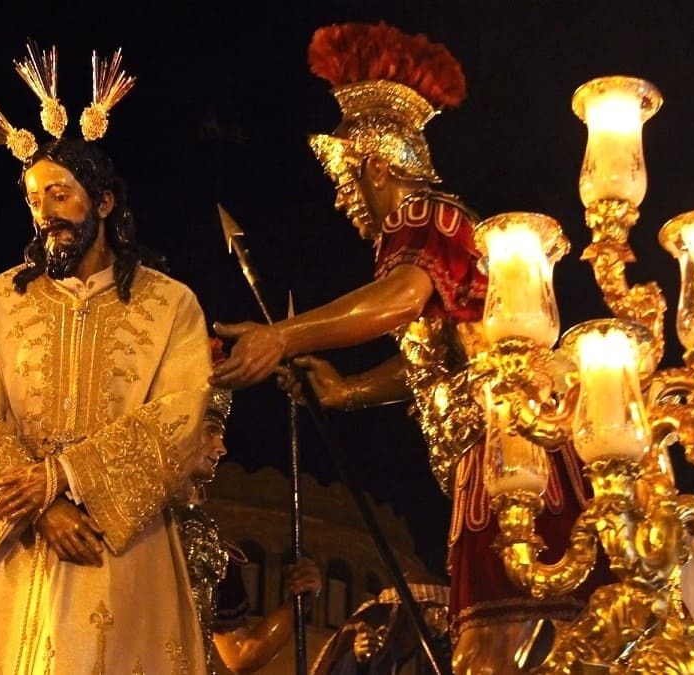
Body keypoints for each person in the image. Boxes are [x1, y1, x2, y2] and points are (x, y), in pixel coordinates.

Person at [211, 22, 606, 673]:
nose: (345, 201)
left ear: (373, 166)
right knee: (497, 636)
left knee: (504, 642)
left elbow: (399, 299)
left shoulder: (422, 218)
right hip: (487, 454)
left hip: (510, 450)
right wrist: (347, 390)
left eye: (344, 181)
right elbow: (435, 355)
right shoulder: (440, 229)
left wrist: (282, 334)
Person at [0, 52, 213, 674]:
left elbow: (179, 418)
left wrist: (68, 477)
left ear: (104, 203)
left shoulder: (171, 304)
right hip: (18, 538)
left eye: (61, 193)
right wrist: (41, 504)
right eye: (34, 199)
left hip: (119, 546)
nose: (46, 212)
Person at [177, 340, 323, 674]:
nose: (221, 446)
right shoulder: (126, 512)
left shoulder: (210, 547)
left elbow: (241, 654)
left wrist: (298, 604)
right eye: (211, 431)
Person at [310, 577, 451, 675]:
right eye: (442, 612)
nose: (445, 628)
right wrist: (359, 659)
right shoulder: (375, 620)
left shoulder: (400, 652)